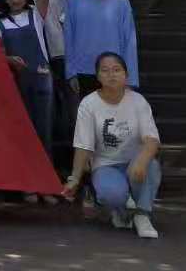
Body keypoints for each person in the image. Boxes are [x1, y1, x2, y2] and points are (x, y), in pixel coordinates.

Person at [62, 52, 162, 239]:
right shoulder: (89, 104)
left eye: (117, 70)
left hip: (135, 161)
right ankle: (122, 211)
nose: (111, 75)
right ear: (98, 76)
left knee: (151, 165)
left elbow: (152, 139)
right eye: (105, 71)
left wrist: (141, 160)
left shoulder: (138, 101)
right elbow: (83, 145)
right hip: (106, 165)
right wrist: (74, 178)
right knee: (111, 194)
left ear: (126, 75)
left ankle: (142, 214)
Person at [0, 0, 57, 204]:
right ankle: (28, 185)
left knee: (45, 133)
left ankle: (47, 186)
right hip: (17, 84)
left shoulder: (36, 16)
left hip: (42, 79)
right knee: (24, 134)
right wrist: (9, 60)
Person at [65, 0, 139, 96]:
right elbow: (69, 36)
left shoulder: (120, 1)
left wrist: (131, 79)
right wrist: (70, 72)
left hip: (114, 72)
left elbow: (129, 41)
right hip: (83, 72)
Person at [42, 0, 84, 162]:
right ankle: (80, 166)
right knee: (74, 110)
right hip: (65, 53)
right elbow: (50, 19)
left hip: (93, 52)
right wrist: (63, 56)